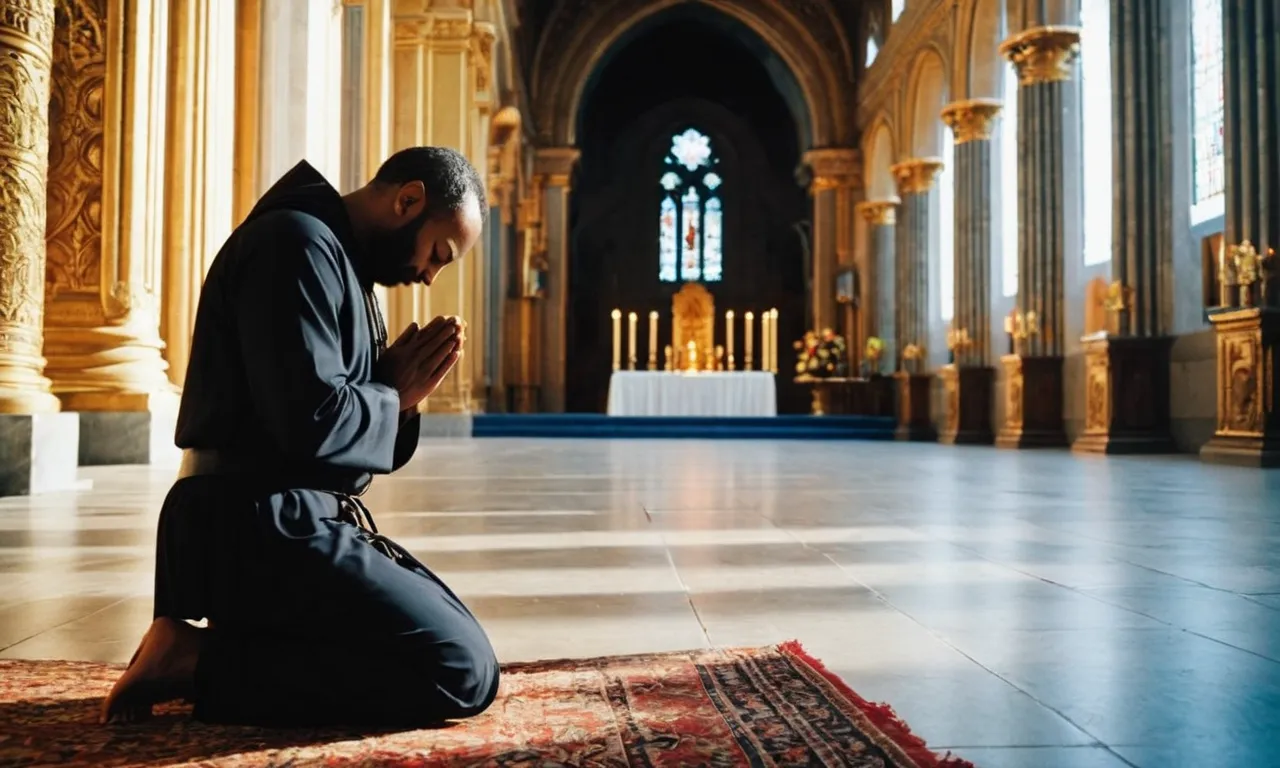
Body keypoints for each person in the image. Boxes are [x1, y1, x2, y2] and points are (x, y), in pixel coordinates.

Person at [101, 147, 499, 727]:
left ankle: (209, 653)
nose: (429, 276)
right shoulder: (294, 244)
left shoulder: (339, 261)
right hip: (254, 523)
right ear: (407, 200)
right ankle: (190, 660)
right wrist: (392, 396)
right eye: (439, 253)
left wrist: (394, 396)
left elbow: (334, 426)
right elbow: (309, 420)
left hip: (289, 517)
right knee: (457, 668)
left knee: (461, 648)